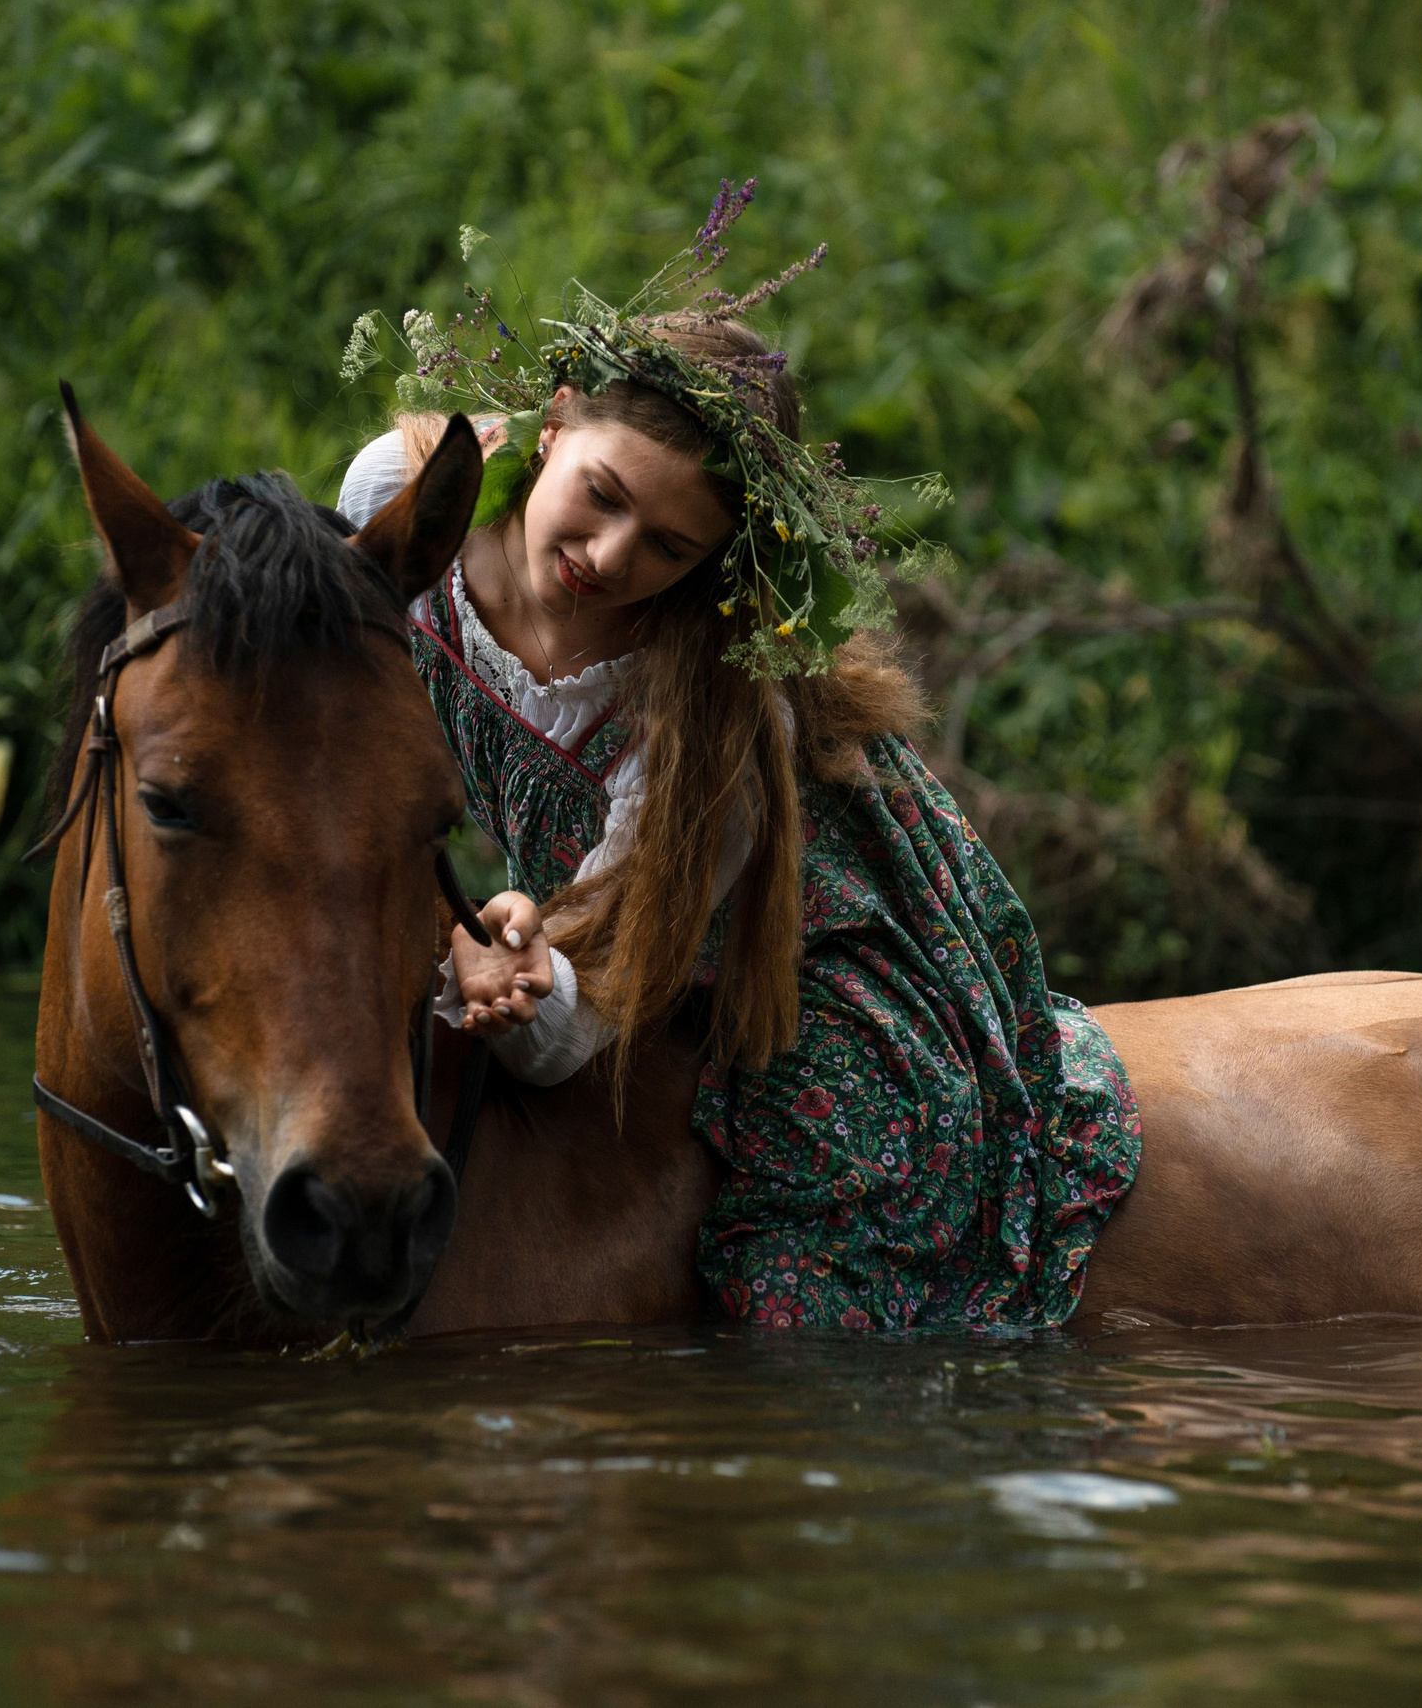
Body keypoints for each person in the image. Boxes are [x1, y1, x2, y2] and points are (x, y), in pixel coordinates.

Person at [335, 189, 1141, 1331]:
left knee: (830, 1235)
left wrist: (521, 975)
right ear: (555, 421)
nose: (609, 557)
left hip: (804, 935)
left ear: (712, 565)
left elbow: (595, 1008)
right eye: (600, 497)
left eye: (668, 546)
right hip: (591, 896)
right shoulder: (402, 501)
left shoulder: (700, 724)